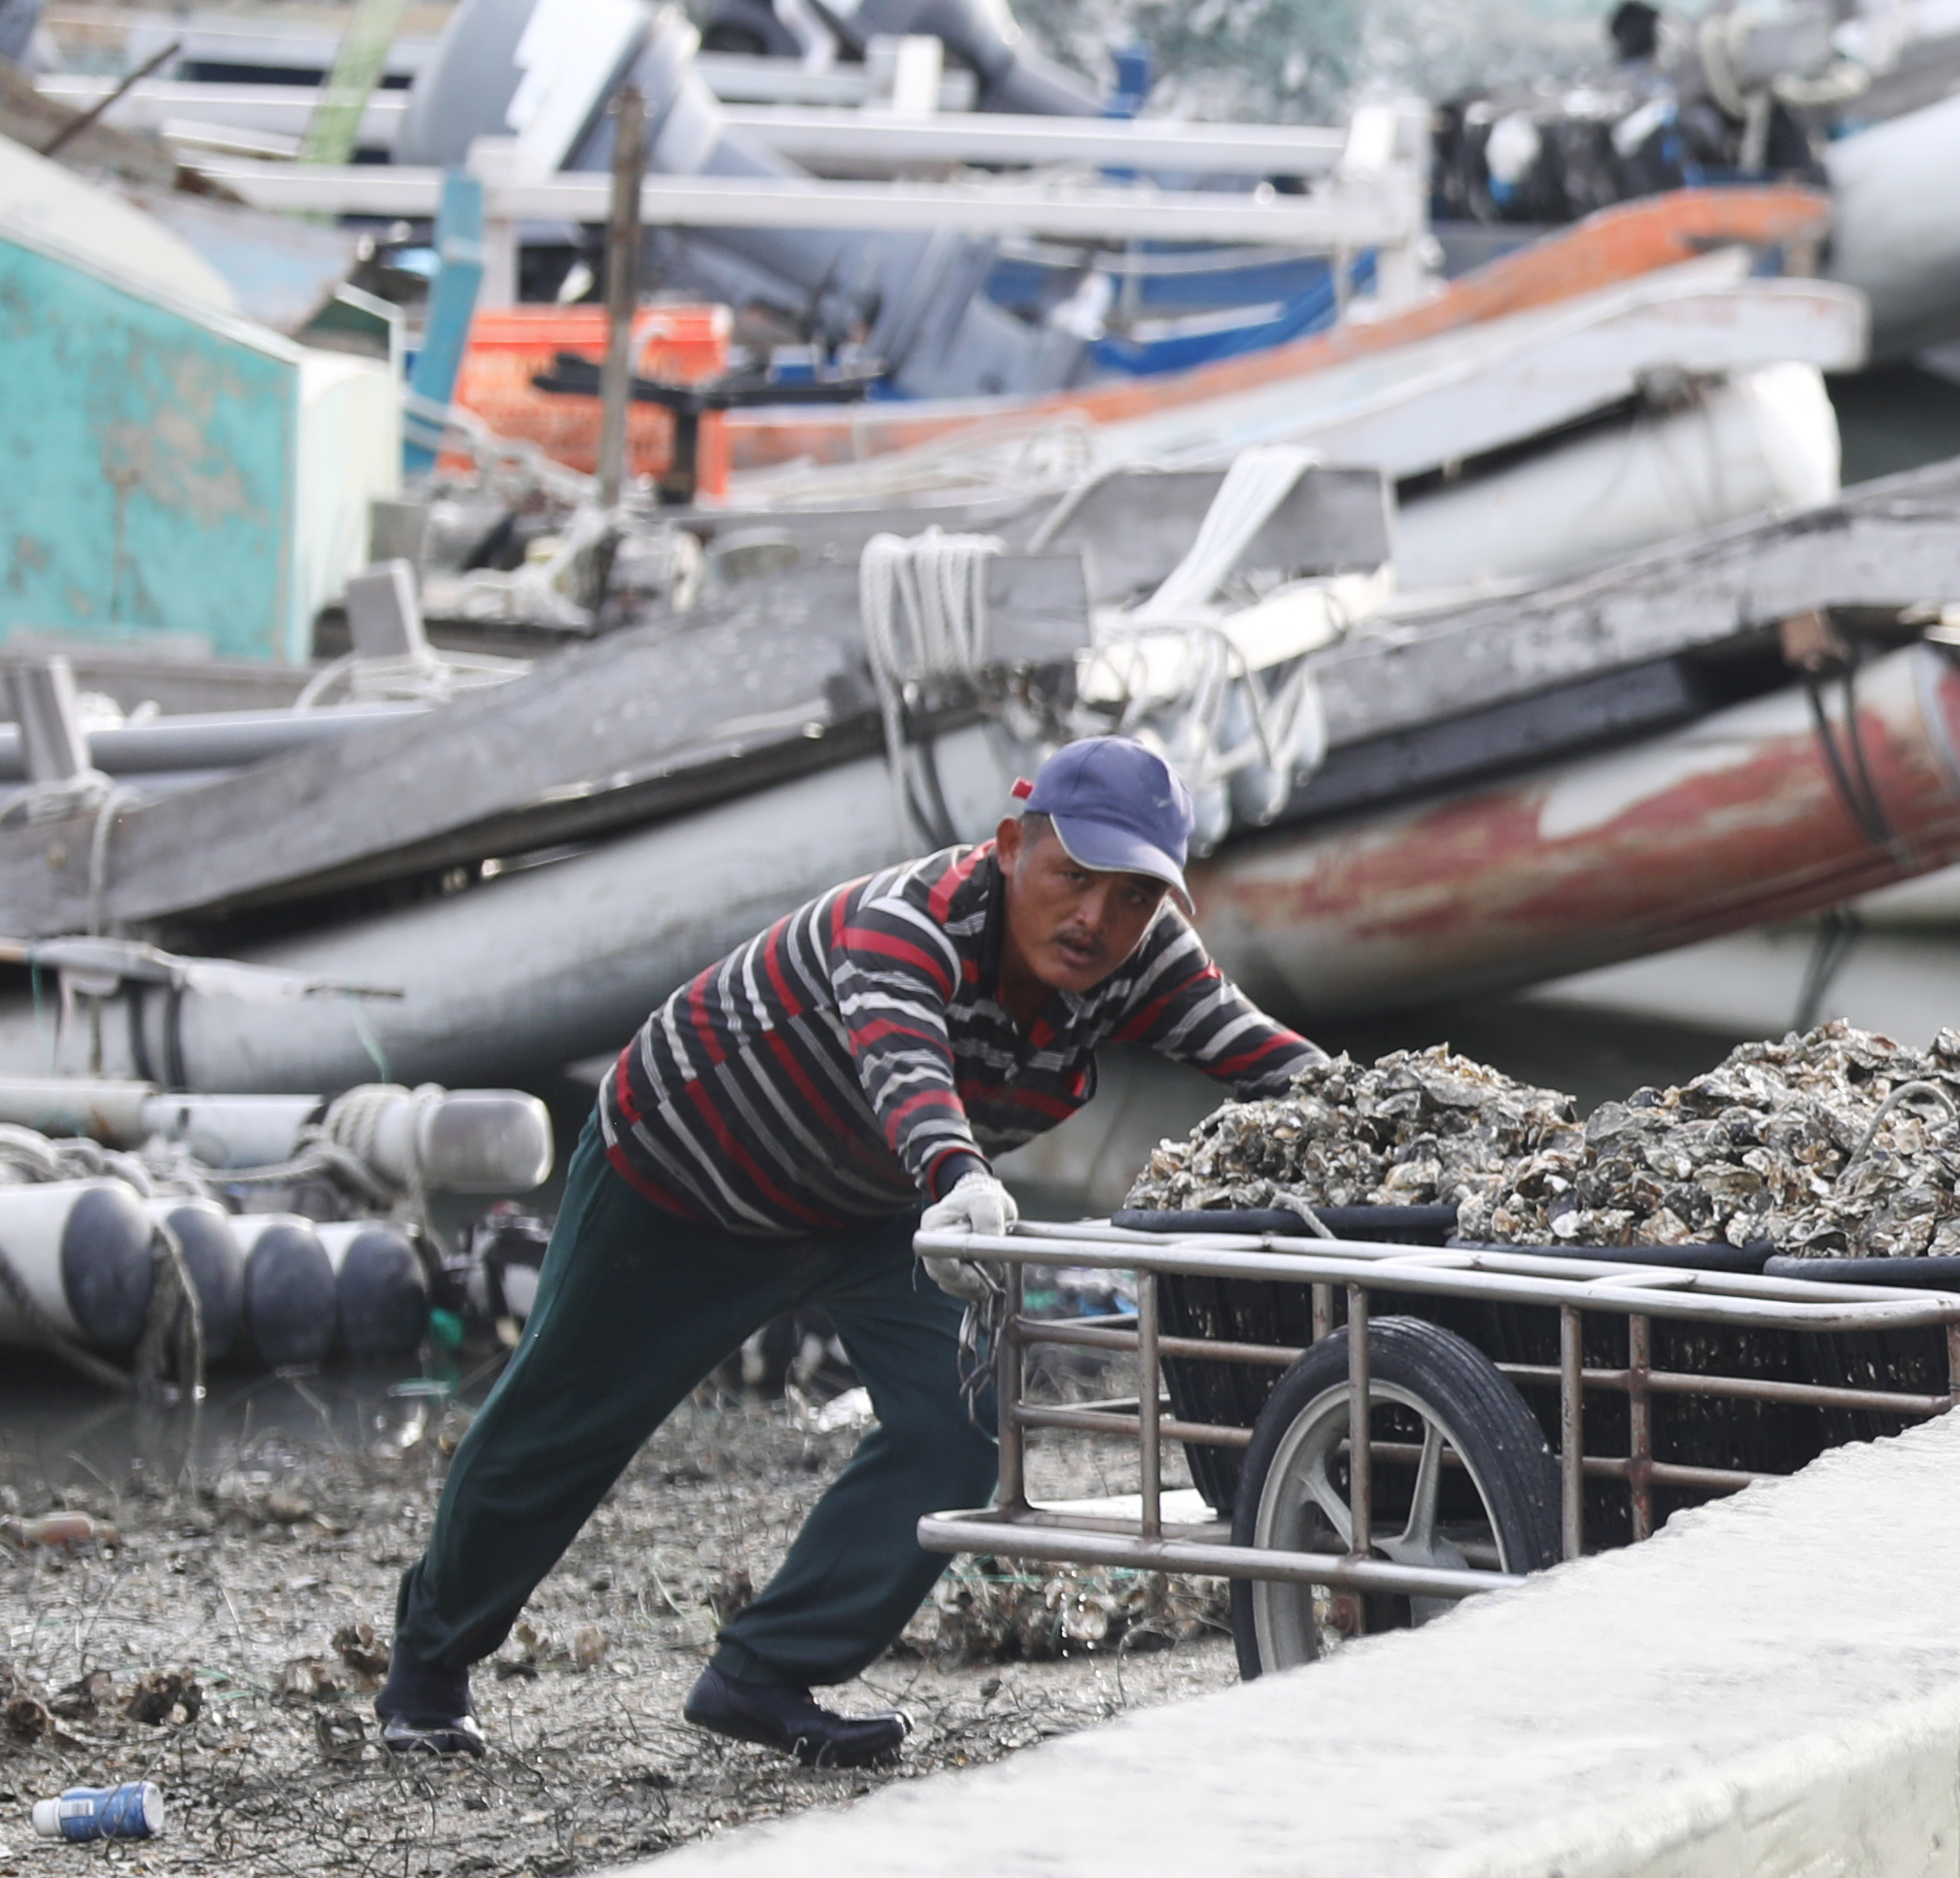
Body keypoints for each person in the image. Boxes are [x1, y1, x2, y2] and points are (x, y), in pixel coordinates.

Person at [375, 738, 1323, 1768]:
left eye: (1135, 896)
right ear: (1012, 848)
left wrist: (1451, 1127)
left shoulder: (1142, 959)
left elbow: (1277, 1064)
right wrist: (960, 1176)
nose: (1097, 918)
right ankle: (428, 1671)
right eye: (1075, 878)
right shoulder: (905, 924)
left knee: (960, 1427)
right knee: (562, 1424)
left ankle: (764, 1672)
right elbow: (904, 1064)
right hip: (688, 1172)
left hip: (872, 1200)